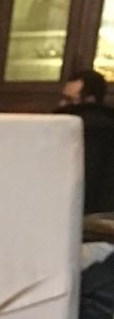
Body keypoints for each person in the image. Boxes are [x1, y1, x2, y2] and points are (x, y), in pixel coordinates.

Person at [56, 68, 114, 215]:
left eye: (69, 100)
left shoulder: (65, 129)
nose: (62, 104)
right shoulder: (108, 127)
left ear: (89, 100)